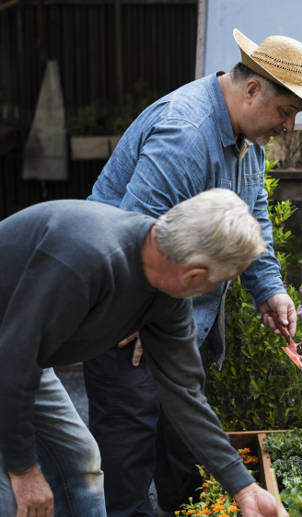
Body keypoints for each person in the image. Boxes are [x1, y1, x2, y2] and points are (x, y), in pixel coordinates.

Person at [84, 30, 302, 515]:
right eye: (286, 111)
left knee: (180, 454)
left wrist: (269, 289)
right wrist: (137, 316)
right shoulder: (185, 134)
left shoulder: (248, 138)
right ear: (252, 90)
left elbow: (253, 215)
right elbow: (133, 233)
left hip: (173, 319)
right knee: (128, 468)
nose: (289, 126)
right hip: (126, 324)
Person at [0, 189, 286, 517]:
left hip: (19, 354)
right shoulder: (86, 259)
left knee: (78, 462)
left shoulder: (167, 294)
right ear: (195, 276)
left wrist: (244, 487)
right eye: (221, 283)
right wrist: (24, 471)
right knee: (11, 495)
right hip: (11, 357)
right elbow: (11, 365)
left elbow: (184, 394)